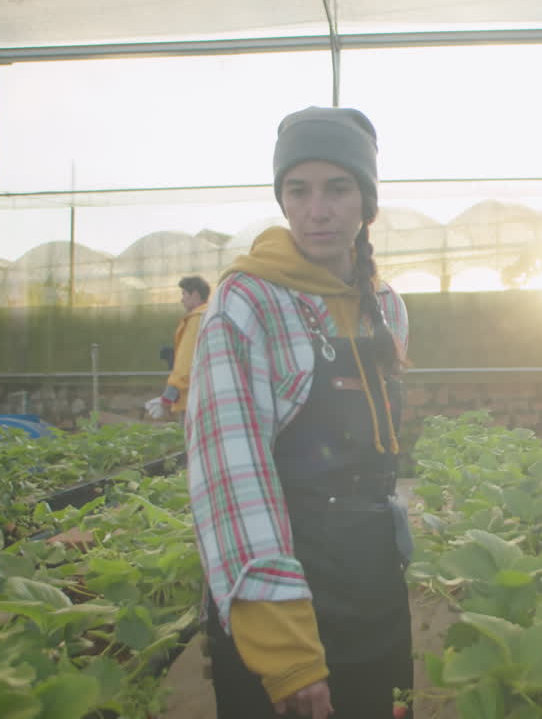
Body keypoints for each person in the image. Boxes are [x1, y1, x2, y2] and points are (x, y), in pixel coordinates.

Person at [185, 107, 412, 719]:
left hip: (371, 579)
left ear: (367, 202)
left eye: (338, 189)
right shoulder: (247, 300)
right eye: (298, 190)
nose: (318, 210)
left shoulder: (385, 305)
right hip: (284, 584)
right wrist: (286, 649)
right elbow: (232, 476)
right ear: (282, 200)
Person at [145, 276, 210, 420]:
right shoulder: (210, 315)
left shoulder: (196, 319)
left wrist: (168, 397)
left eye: (184, 294)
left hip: (191, 398)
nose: (182, 300)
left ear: (195, 294)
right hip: (206, 393)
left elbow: (185, 363)